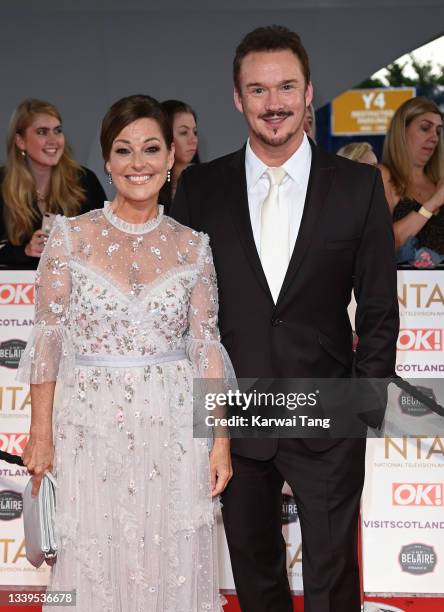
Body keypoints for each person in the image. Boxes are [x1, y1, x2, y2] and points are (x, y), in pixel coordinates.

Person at [171, 25, 399, 612]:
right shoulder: (200, 187)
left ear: (308, 92)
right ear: (237, 98)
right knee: (254, 574)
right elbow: (180, 309)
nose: (273, 103)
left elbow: (378, 304)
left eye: (286, 87)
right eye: (258, 89)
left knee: (332, 578)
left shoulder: (357, 187)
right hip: (236, 410)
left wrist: (364, 402)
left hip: (327, 404)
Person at [17, 94, 234, 612]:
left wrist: (219, 440)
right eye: (124, 150)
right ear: (108, 163)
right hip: (92, 425)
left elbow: (206, 348)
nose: (139, 163)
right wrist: (40, 436)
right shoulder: (70, 238)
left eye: (151, 148)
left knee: (171, 551)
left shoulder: (193, 246)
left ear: (169, 159)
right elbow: (47, 342)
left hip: (174, 425)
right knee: (93, 549)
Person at [0, 98, 106, 269]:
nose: (53, 140)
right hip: (15, 291)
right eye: (42, 132)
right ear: (20, 141)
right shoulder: (2, 183)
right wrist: (25, 251)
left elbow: (106, 242)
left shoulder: (84, 180)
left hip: (74, 287)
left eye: (57, 131)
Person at [378, 96, 444, 259]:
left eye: (438, 131)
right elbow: (381, 241)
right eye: (425, 128)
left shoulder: (439, 181)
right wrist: (433, 203)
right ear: (402, 130)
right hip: (402, 284)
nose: (434, 137)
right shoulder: (384, 175)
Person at [159, 99, 199, 212]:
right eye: (183, 132)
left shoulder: (206, 182)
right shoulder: (151, 187)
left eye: (195, 132)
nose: (193, 140)